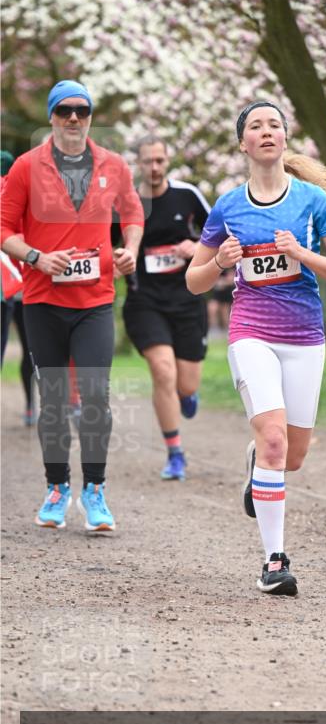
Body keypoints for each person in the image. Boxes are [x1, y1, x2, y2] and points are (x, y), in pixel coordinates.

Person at [186, 100, 326, 596]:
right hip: (251, 333)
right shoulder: (227, 206)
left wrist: (303, 254)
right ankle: (274, 561)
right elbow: (194, 282)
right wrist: (218, 260)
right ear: (243, 143)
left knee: (292, 457)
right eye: (255, 126)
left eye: (275, 125)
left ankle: (256, 460)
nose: (266, 132)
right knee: (276, 441)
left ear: (285, 139)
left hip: (304, 336)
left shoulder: (313, 201)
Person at [0, 79, 144, 531]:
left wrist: (130, 249)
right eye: (65, 111)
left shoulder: (114, 165)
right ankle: (57, 487)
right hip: (43, 299)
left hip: (96, 300)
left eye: (82, 110)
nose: (74, 118)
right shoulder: (26, 167)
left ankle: (95, 491)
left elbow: (134, 214)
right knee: (56, 399)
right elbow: (3, 229)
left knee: (96, 395)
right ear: (52, 117)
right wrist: (37, 257)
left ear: (91, 115)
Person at [120, 136, 210, 481]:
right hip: (144, 301)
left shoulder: (187, 196)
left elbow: (222, 233)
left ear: (168, 160)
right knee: (162, 371)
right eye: (147, 162)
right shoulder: (125, 202)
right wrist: (120, 258)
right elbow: (105, 246)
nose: (154, 168)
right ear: (138, 164)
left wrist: (198, 245)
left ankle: (187, 396)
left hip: (188, 299)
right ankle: (175, 453)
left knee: (185, 385)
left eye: (160, 160)